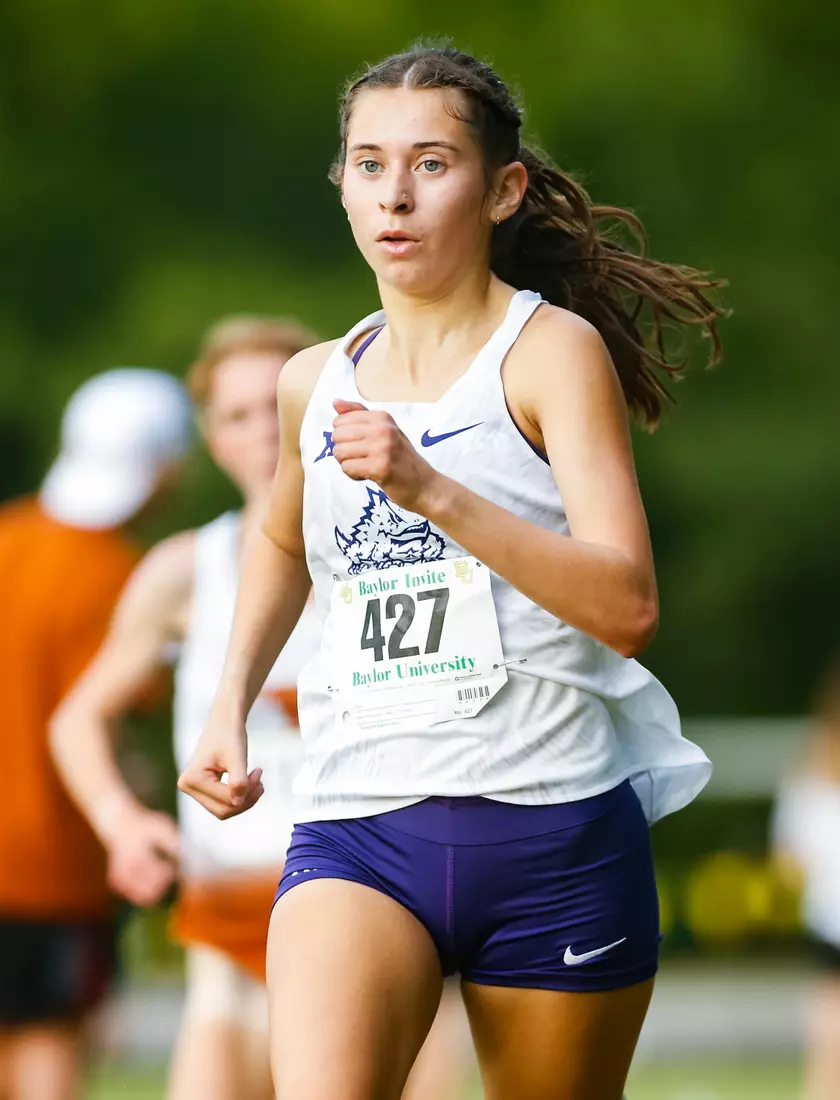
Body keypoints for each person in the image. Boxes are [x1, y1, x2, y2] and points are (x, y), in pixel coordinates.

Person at [178, 45, 725, 1100]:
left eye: (430, 163)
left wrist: (433, 491)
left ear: (502, 188)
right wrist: (226, 702)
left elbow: (628, 604)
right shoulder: (312, 381)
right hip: (360, 824)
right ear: (339, 183)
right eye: (367, 163)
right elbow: (283, 540)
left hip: (550, 829)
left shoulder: (548, 354)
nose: (394, 192)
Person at [50, 317, 470, 1100]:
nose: (262, 430)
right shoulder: (187, 568)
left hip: (382, 909)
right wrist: (121, 823)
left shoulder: (404, 547)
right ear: (210, 438)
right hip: (233, 929)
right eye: (238, 414)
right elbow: (77, 719)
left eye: (278, 403)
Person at [0, 369, 192, 1100]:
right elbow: (112, 713)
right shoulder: (114, 573)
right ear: (160, 468)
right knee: (52, 1046)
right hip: (50, 857)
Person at [772, 656, 840, 1100]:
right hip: (829, 923)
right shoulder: (810, 774)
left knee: (828, 1053)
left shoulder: (809, 772)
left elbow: (789, 863)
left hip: (828, 921)